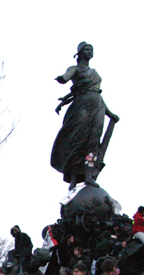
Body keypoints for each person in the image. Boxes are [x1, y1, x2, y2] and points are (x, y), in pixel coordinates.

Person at [51, 42, 119, 189]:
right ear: (79, 53)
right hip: (81, 107)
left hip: (98, 107)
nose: (89, 52)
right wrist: (62, 79)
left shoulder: (95, 73)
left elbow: (97, 95)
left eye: (91, 49)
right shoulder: (75, 69)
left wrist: (110, 113)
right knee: (79, 142)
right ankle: (74, 176)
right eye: (86, 49)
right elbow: (66, 76)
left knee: (93, 142)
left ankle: (89, 175)